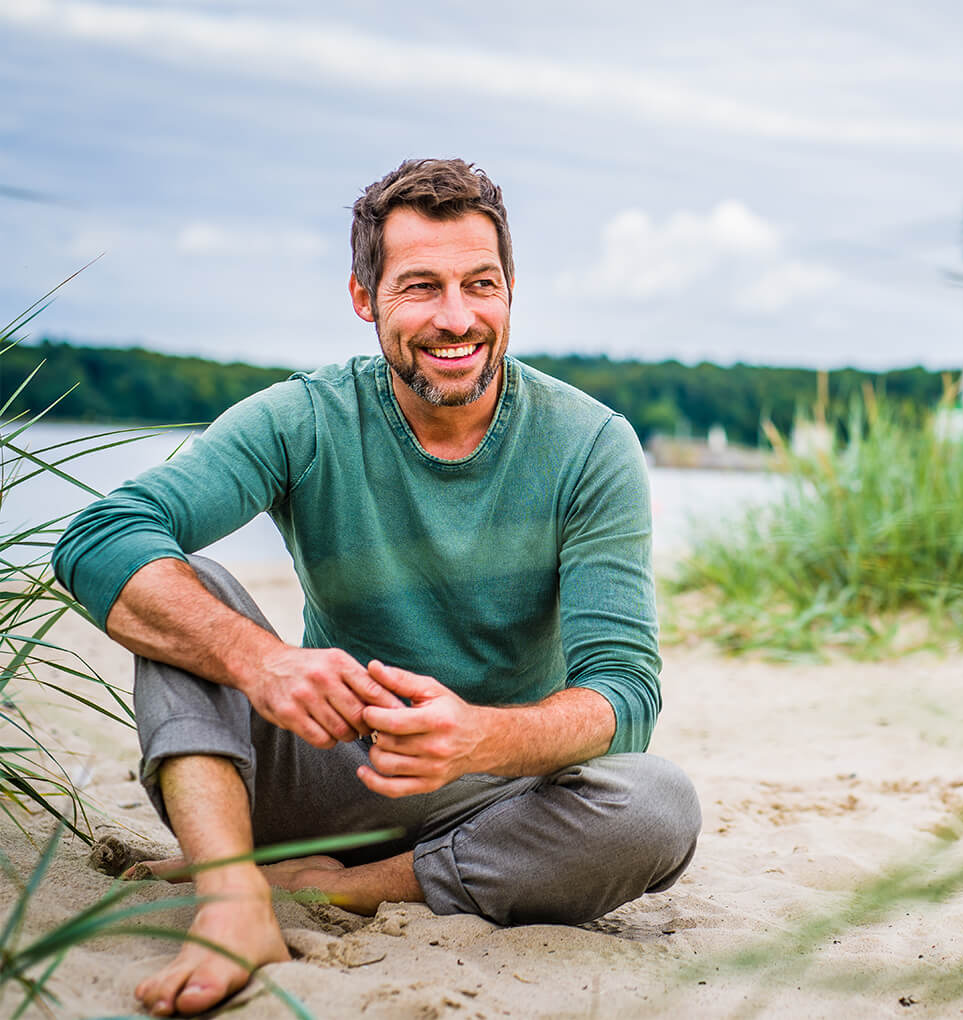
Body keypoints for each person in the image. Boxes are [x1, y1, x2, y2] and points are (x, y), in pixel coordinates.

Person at [53, 158, 701, 1018]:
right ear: (365, 296)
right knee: (188, 586)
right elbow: (99, 538)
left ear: (512, 291)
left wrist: (474, 736)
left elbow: (625, 693)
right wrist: (264, 663)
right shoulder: (304, 417)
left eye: (481, 284)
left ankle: (354, 884)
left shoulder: (591, 444)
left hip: (492, 799)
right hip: (319, 771)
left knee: (658, 806)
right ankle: (233, 895)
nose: (457, 318)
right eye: (421, 287)